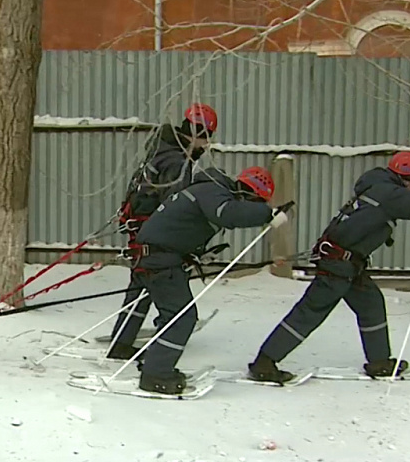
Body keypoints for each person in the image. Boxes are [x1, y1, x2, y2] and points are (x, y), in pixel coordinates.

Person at [247, 151, 410, 383]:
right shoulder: (389, 193)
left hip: (349, 263)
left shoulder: (380, 187)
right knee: (310, 312)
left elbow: (406, 201)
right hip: (339, 264)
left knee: (371, 304)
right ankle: (265, 362)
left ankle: (380, 362)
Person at [114, 165, 292, 395]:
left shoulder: (208, 190)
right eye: (255, 203)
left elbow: (183, 227)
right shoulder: (214, 192)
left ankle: (151, 362)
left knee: (170, 314)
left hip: (154, 256)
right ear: (249, 192)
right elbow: (228, 214)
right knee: (181, 318)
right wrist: (267, 214)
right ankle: (156, 375)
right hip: (159, 260)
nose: (252, 207)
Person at [106, 103, 218, 352]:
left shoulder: (161, 151)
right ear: (200, 134)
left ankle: (122, 341)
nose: (206, 147)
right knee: (167, 285)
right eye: (206, 139)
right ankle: (167, 338)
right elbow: (175, 207)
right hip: (156, 237)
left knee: (141, 284)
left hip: (140, 229)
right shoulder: (177, 162)